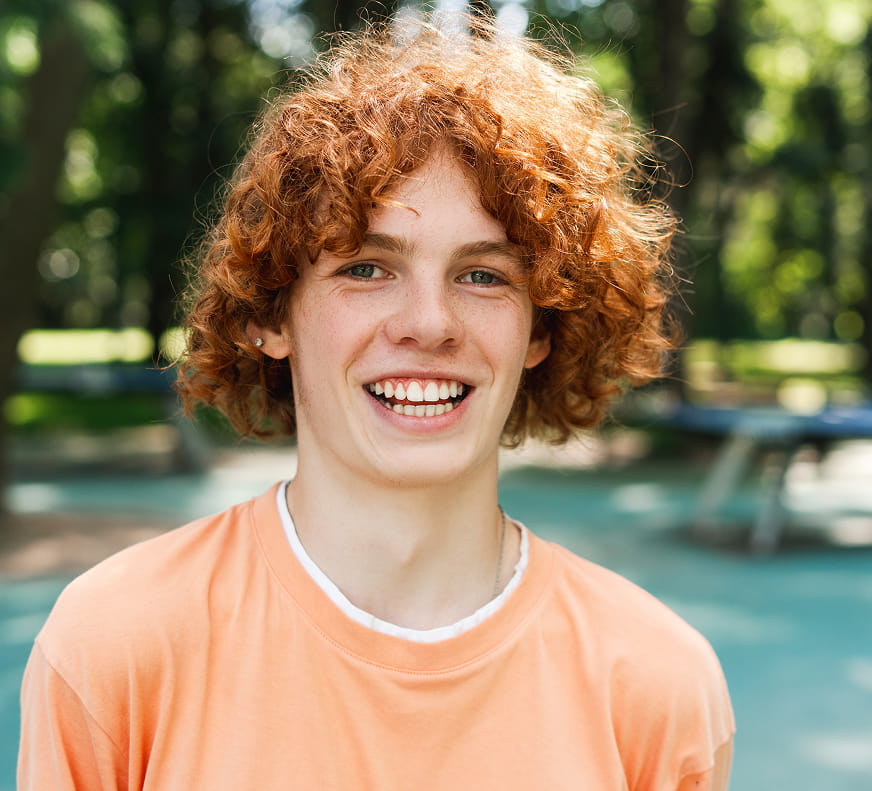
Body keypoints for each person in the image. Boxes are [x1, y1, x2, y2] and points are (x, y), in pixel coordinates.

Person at [18, 14, 734, 790]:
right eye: (365, 268)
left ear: (542, 328)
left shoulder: (657, 686)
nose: (429, 323)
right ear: (270, 314)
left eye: (484, 275)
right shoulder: (114, 648)